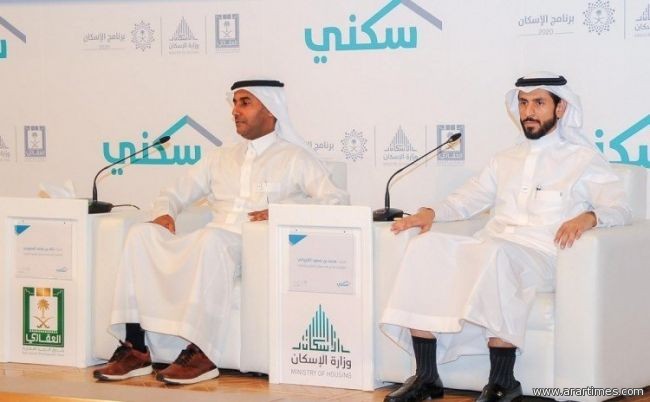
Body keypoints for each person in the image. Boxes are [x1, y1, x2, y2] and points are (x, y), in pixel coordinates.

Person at [380, 72, 631, 402]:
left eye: (539, 103)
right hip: (493, 246)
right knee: (425, 246)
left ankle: (503, 382)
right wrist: (431, 212)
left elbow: (620, 208)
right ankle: (427, 376)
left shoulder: (583, 160)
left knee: (497, 254)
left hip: (541, 255)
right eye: (523, 103)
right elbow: (467, 199)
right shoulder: (504, 160)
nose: (529, 111)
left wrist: (590, 217)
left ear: (560, 108)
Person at [93, 79, 349, 385]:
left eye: (245, 103)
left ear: (271, 109)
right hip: (212, 242)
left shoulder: (295, 158)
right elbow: (174, 193)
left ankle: (202, 353)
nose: (235, 111)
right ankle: (135, 348)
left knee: (210, 239)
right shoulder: (220, 157)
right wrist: (164, 212)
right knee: (141, 234)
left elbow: (336, 200)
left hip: (253, 247)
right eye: (234, 103)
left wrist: (284, 212)